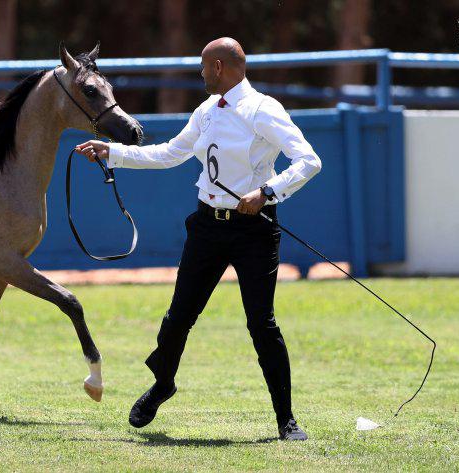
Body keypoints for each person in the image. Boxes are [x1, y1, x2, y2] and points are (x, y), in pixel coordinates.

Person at [75, 37, 321, 441]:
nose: (201, 74)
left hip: (253, 231)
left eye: (204, 67)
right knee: (177, 320)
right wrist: (113, 153)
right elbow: (170, 153)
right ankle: (162, 385)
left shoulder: (263, 110)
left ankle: (286, 420)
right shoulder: (207, 110)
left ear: (220, 67)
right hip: (207, 227)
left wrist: (267, 192)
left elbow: (309, 160)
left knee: (262, 324)